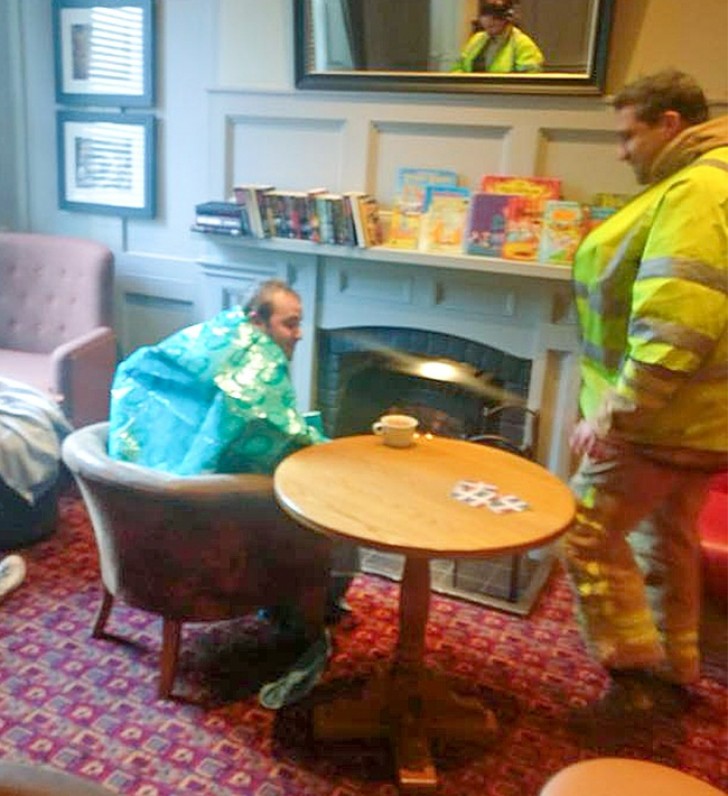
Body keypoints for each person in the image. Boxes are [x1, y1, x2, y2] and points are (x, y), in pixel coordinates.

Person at [563, 69, 728, 724]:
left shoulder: (696, 192)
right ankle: (674, 672)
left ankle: (632, 683)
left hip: (658, 423)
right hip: (697, 425)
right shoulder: (709, 184)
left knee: (584, 533)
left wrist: (612, 413)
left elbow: (674, 327)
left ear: (669, 125)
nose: (621, 151)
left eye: (628, 135)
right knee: (667, 542)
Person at [451, 0, 543, 74]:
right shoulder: (477, 39)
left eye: (495, 18)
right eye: (485, 17)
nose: (489, 21)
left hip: (505, 94)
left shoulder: (522, 43)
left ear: (507, 19)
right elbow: (459, 66)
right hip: (473, 93)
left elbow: (529, 77)